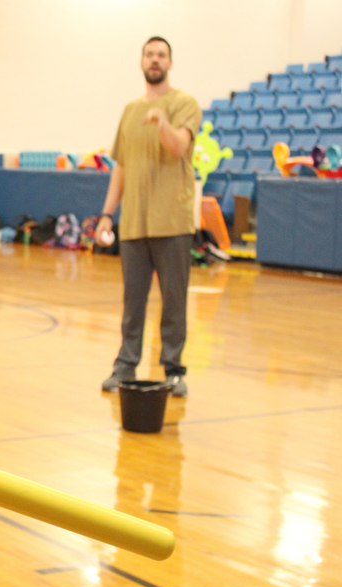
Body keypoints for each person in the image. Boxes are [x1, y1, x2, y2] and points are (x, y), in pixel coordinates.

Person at [97, 37, 201, 398]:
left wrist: (161, 122)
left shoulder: (184, 104)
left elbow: (178, 148)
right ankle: (124, 367)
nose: (155, 60)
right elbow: (120, 169)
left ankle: (173, 371)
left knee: (174, 301)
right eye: (149, 54)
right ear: (141, 61)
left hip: (172, 222)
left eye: (161, 55)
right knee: (133, 302)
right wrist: (107, 215)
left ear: (170, 63)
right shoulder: (129, 111)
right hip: (133, 225)